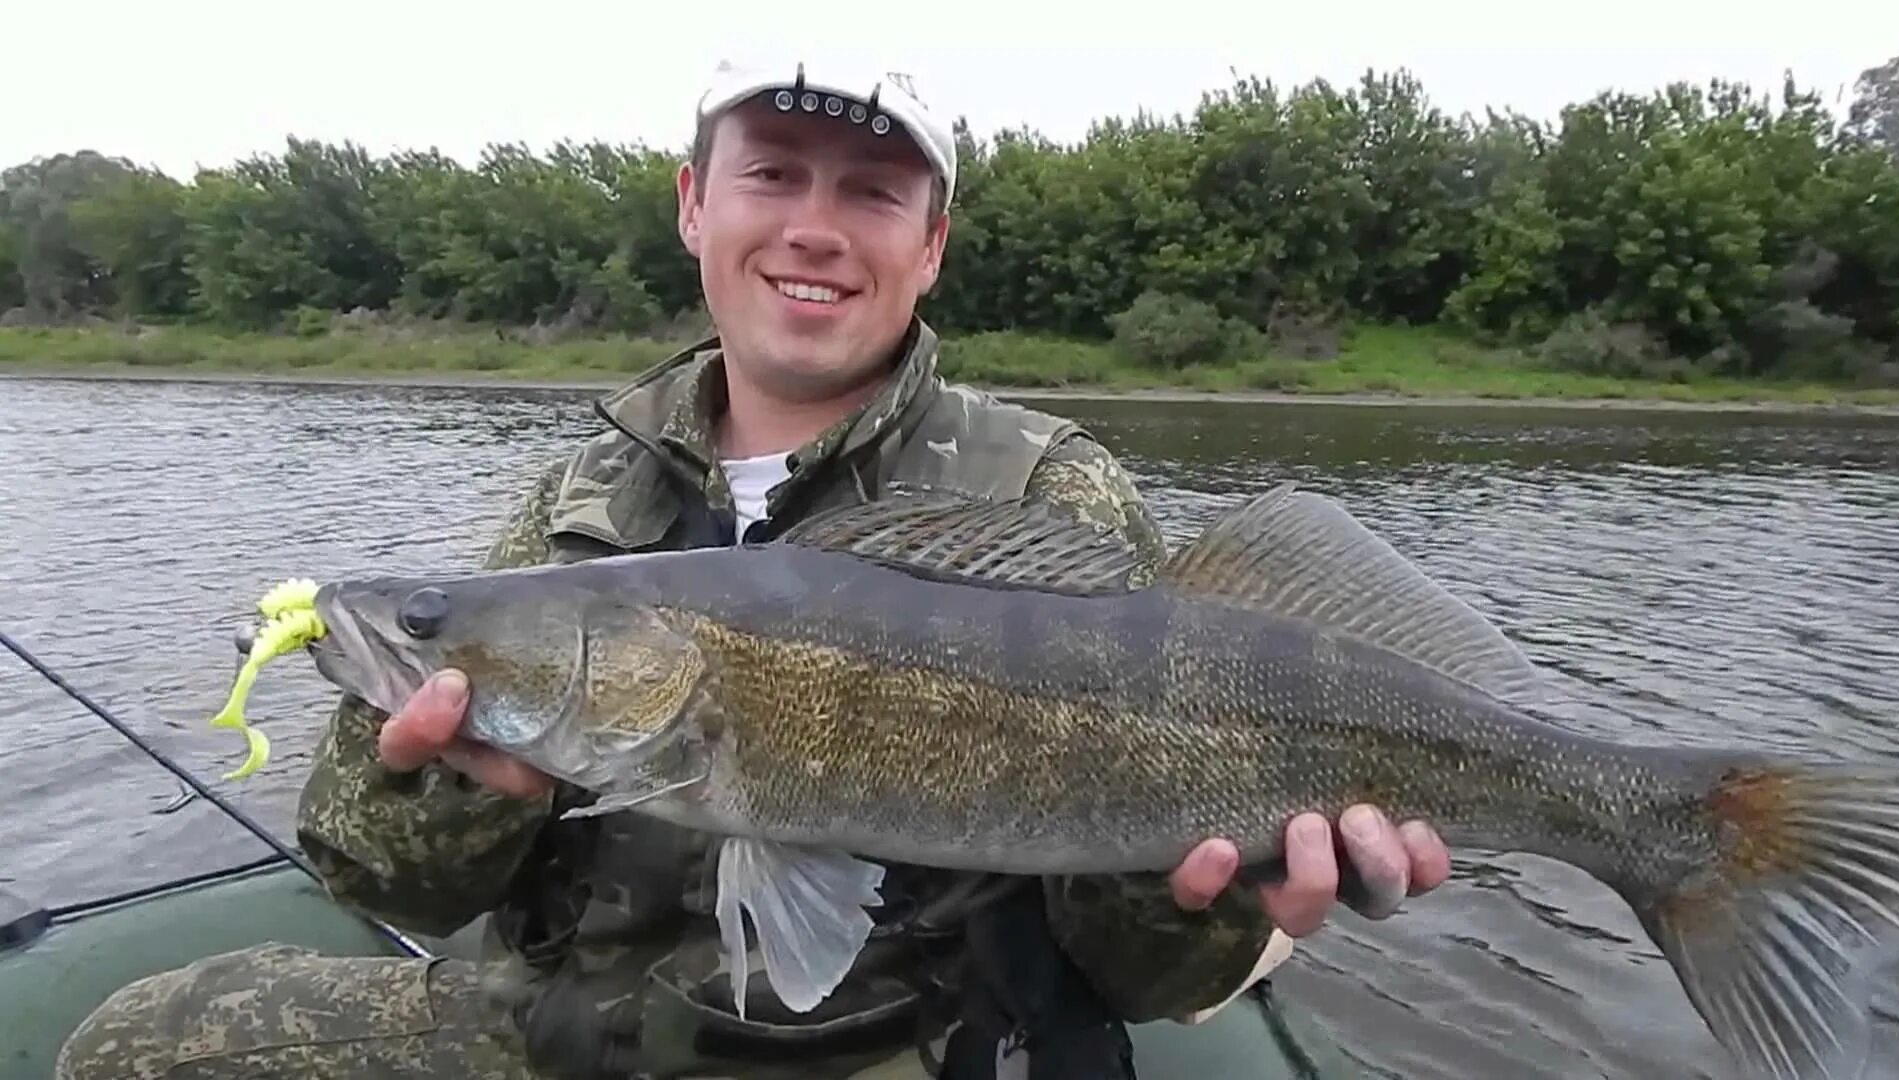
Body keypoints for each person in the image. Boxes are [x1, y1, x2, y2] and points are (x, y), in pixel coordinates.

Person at [56, 58, 1450, 1079]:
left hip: (883, 1055)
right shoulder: (575, 499)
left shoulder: (1046, 492)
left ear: (932, 244)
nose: (813, 227)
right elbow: (396, 891)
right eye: (771, 174)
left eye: (873, 192)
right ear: (692, 207)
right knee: (126, 1045)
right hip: (544, 1037)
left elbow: (1139, 971)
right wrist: (446, 784)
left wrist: (1213, 894)